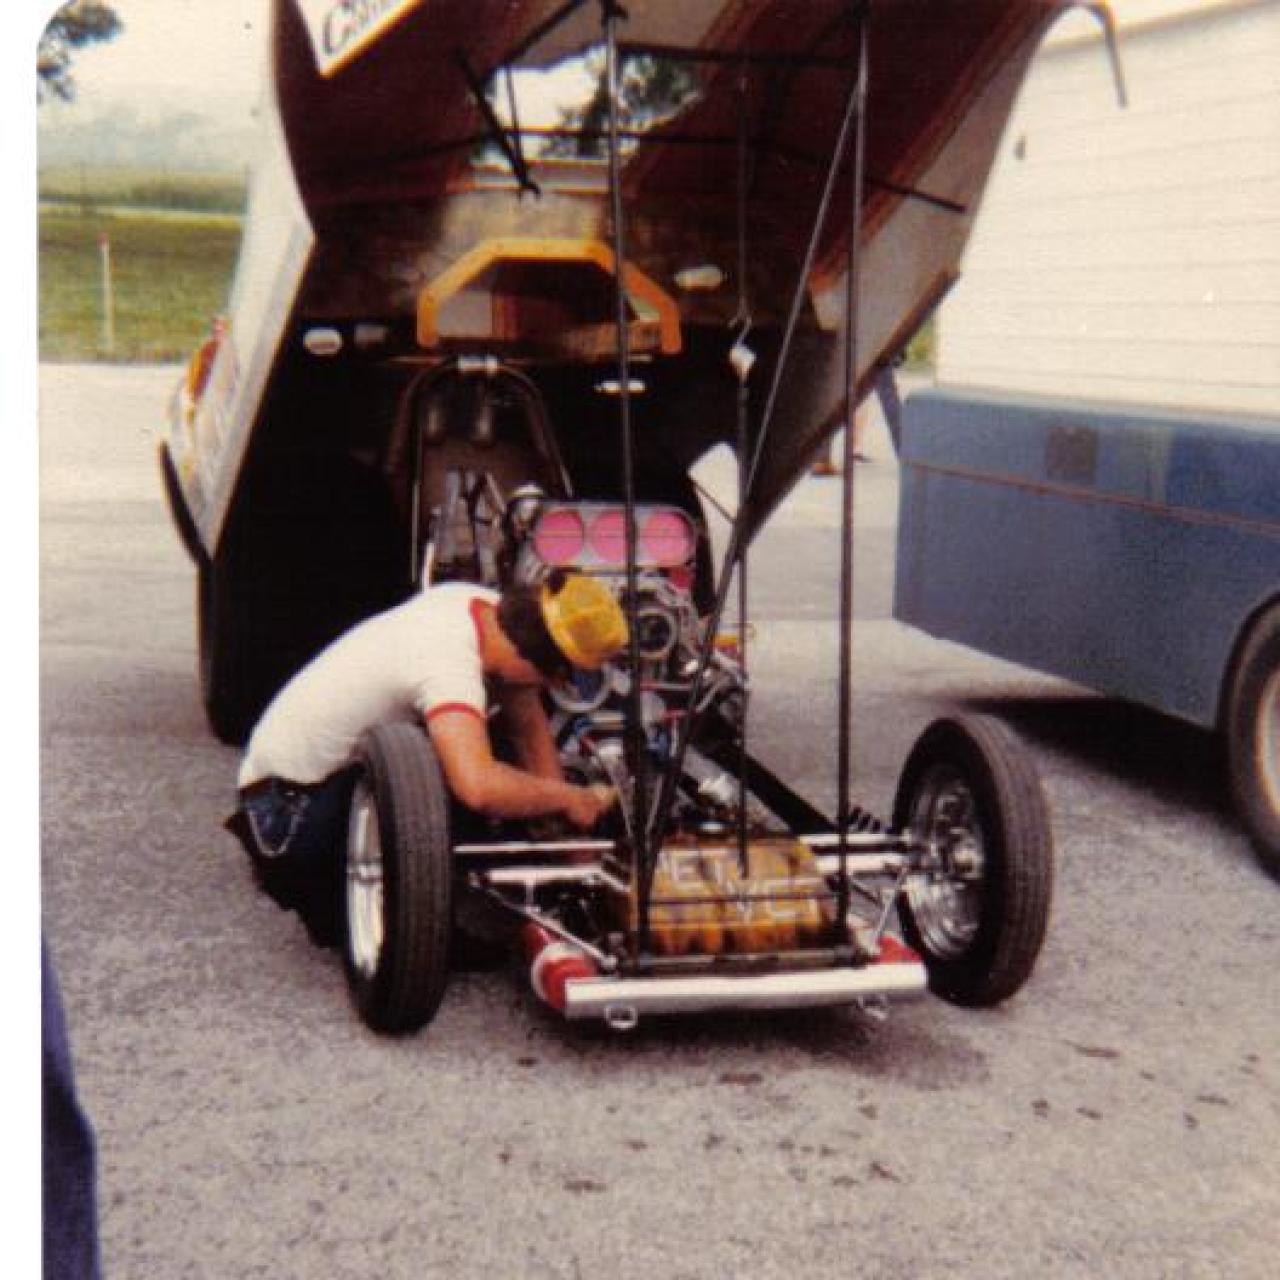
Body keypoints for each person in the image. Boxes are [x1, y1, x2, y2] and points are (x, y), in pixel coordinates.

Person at [225, 571, 627, 943]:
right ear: (537, 665)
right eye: (560, 678)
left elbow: (527, 728)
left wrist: (574, 850)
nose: (556, 688)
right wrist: (571, 798)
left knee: (506, 779)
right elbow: (478, 787)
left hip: (298, 778)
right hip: (286, 815)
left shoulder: (482, 608)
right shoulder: (446, 665)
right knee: (463, 938)